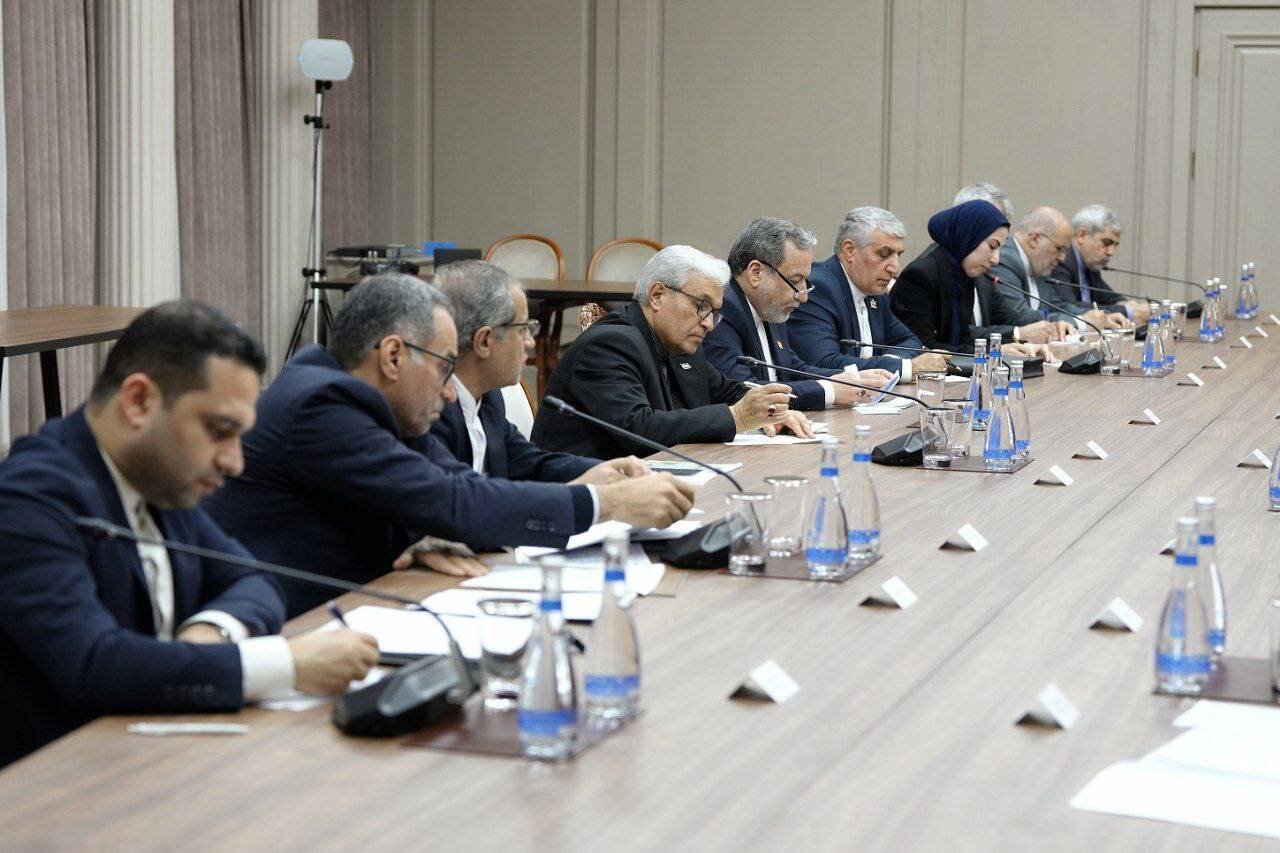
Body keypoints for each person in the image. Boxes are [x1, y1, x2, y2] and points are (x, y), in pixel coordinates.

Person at [0, 302, 379, 768]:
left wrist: (208, 634)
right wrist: (287, 664)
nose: (234, 463)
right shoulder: (27, 498)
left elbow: (254, 580)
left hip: (156, 758)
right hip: (55, 784)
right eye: (220, 431)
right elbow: (95, 667)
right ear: (139, 402)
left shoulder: (156, 478)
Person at [204, 275, 693, 616]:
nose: (449, 392)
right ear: (392, 357)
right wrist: (604, 503)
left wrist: (415, 537)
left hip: (358, 605)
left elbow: (454, 484)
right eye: (442, 367)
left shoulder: (375, 401)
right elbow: (453, 500)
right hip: (285, 622)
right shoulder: (322, 405)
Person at [531, 245, 814, 459]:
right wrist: (738, 417)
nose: (708, 324)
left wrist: (771, 409)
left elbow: (726, 390)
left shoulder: (681, 344)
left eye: (714, 313)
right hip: (581, 492)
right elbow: (639, 428)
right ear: (657, 295)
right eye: (701, 306)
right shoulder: (609, 344)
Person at [430, 259, 647, 481]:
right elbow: (465, 494)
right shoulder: (431, 412)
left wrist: (614, 472)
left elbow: (529, 462)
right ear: (485, 341)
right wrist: (584, 495)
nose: (530, 342)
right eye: (523, 329)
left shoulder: (489, 398)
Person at [702, 217, 892, 409]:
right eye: (795, 281)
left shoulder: (770, 306)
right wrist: (830, 391)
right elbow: (743, 390)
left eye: (805, 281)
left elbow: (793, 368)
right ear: (756, 273)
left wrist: (851, 380)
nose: (804, 297)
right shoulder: (724, 308)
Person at [788, 206, 948, 381]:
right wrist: (908, 367)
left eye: (898, 255)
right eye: (884, 254)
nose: (895, 268)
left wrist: (886, 363)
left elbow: (910, 341)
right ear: (850, 250)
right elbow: (823, 362)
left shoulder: (875, 293)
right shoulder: (818, 288)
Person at [891, 200, 1061, 353]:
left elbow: (963, 338)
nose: (996, 259)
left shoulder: (963, 276)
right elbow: (925, 349)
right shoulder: (921, 276)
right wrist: (993, 352)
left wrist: (1005, 348)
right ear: (968, 236)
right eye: (992, 246)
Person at [989, 206, 1129, 331]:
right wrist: (1082, 322)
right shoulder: (1004, 259)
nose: (1062, 258)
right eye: (1060, 249)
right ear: (1035, 239)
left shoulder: (1038, 265)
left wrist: (1100, 317)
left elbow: (1058, 306)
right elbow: (1020, 316)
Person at [1051, 204, 1151, 323]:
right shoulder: (1062, 260)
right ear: (1082, 236)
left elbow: (1108, 296)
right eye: (1106, 243)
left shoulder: (1089, 263)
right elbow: (1069, 307)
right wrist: (1128, 311)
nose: (1111, 252)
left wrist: (1128, 304)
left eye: (1115, 246)